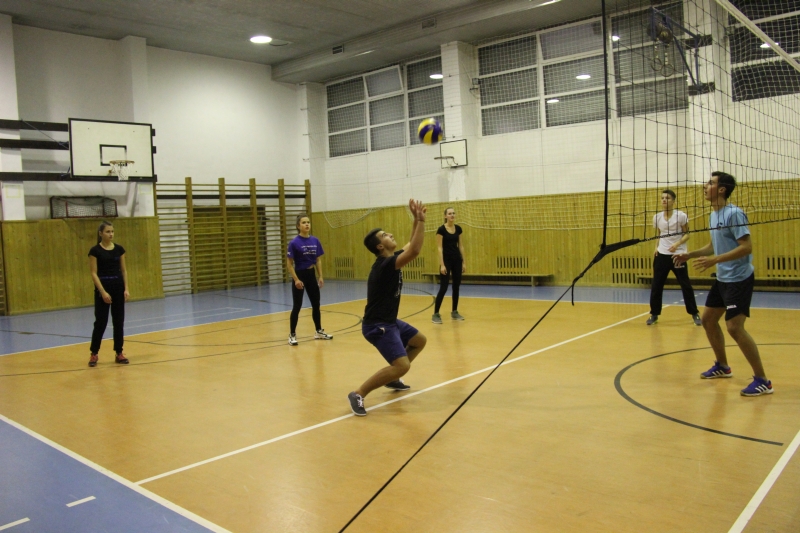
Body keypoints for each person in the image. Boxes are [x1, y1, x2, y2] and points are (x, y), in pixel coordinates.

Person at [673, 172, 772, 396]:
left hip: (739, 278)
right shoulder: (714, 214)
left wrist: (715, 260)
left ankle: (763, 380)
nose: (705, 186)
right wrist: (690, 254)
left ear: (721, 189)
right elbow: (712, 245)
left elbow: (746, 247)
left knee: (734, 327)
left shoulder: (734, 214)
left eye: (710, 183)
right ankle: (723, 366)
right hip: (723, 278)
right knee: (708, 320)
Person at [348, 199, 428, 416]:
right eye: (384, 235)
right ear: (380, 246)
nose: (390, 234)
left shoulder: (391, 259)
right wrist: (421, 221)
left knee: (419, 341)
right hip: (377, 325)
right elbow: (415, 251)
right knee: (402, 365)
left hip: (389, 322)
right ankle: (358, 393)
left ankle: (392, 378)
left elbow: (410, 245)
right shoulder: (384, 265)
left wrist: (416, 220)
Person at [646, 189, 701, 326]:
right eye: (662, 198)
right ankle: (654, 314)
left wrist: (677, 244)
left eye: (667, 198)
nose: (664, 200)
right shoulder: (657, 217)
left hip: (678, 255)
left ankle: (694, 313)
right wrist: (656, 247)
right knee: (656, 285)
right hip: (662, 255)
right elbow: (659, 234)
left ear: (673, 201)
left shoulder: (680, 216)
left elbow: (687, 234)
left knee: (685, 284)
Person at [88, 220, 130, 367]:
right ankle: (94, 353)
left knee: (118, 321)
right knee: (101, 322)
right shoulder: (95, 251)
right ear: (101, 233)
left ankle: (119, 352)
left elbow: (123, 270)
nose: (111, 234)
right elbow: (94, 273)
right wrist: (103, 292)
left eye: (112, 231)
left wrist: (126, 288)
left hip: (118, 288)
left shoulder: (119, 249)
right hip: (103, 290)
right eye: (108, 231)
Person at [286, 214, 333, 346]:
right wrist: (296, 280)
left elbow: (318, 260)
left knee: (316, 304)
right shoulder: (294, 243)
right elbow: (289, 264)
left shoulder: (315, 240)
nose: (307, 224)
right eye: (303, 222)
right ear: (298, 226)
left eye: (308, 222)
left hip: (311, 275)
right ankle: (292, 334)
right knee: (297, 306)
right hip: (300, 275)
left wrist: (320, 276)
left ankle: (318, 331)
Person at [432, 207, 466, 324]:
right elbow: (439, 248)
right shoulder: (441, 230)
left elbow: (461, 246)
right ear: (445, 216)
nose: (452, 215)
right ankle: (436, 313)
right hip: (446, 261)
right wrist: (442, 265)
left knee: (456, 286)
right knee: (444, 287)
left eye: (453, 213)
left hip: (457, 260)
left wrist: (464, 262)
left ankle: (454, 311)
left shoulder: (458, 229)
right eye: (450, 213)